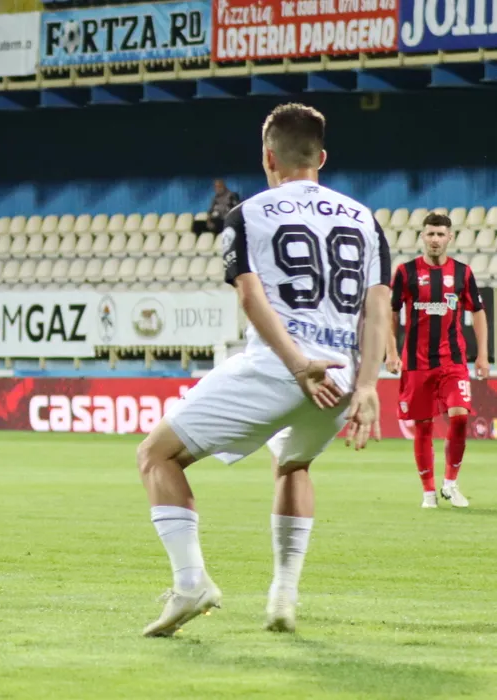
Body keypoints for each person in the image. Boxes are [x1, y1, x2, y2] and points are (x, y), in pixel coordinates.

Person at [137, 103, 391, 637]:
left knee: (156, 454)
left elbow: (251, 298)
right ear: (321, 158)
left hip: (283, 368)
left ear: (268, 157)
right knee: (293, 464)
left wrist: (297, 365)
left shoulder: (247, 214)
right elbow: (377, 307)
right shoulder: (365, 218)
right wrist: (368, 385)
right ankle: (282, 597)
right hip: (342, 379)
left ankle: (191, 583)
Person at [386, 213, 489, 509]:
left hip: (452, 361)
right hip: (417, 363)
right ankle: (428, 492)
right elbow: (391, 313)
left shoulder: (462, 273)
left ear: (450, 237)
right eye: (430, 234)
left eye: (440, 234)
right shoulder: (405, 272)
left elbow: (478, 312)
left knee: (460, 417)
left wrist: (482, 355)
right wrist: (391, 351)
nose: (435, 239)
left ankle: (450, 483)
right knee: (423, 427)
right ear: (422, 236)